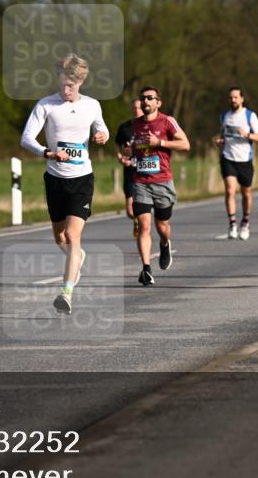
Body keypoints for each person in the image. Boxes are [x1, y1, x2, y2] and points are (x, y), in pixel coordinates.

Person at [20, 54, 108, 312]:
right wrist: (47, 153)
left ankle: (66, 292)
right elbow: (27, 138)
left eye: (70, 85)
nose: (65, 90)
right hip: (55, 178)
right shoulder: (46, 105)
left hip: (82, 178)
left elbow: (101, 127)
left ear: (80, 82)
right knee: (60, 236)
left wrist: (102, 135)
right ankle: (77, 256)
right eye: (62, 85)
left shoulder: (92, 105)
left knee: (72, 234)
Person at [124, 87, 190, 286]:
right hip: (141, 182)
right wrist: (130, 151)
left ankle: (164, 244)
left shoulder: (167, 121)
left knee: (162, 226)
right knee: (144, 225)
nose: (145, 101)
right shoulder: (134, 125)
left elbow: (185, 144)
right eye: (142, 97)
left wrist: (159, 142)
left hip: (162, 181)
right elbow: (134, 149)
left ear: (158, 102)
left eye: (150, 98)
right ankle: (146, 269)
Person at [215, 86, 258, 240]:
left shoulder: (250, 115)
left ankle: (245, 222)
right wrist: (220, 141)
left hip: (245, 160)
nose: (233, 100)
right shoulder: (224, 116)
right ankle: (232, 223)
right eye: (231, 98)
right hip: (228, 157)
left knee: (246, 193)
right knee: (230, 190)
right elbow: (223, 135)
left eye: (236, 97)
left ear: (242, 99)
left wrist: (247, 134)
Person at [115, 98, 144, 238]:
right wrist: (121, 158)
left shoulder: (148, 126)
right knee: (130, 212)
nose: (136, 110)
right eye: (134, 108)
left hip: (145, 172)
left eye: (139, 108)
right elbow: (118, 146)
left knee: (143, 208)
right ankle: (138, 221)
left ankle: (144, 225)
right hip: (129, 172)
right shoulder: (124, 127)